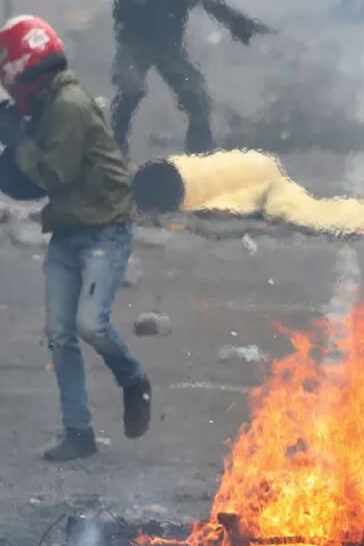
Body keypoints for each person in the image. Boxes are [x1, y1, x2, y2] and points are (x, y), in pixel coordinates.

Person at [0, 16, 151, 461]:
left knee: (91, 324)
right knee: (59, 335)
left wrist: (18, 143)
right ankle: (78, 432)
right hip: (68, 228)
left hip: (105, 228)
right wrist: (17, 138)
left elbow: (53, 174)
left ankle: (133, 380)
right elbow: (29, 180)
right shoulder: (47, 105)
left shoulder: (66, 105)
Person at [110, 0, 270, 156]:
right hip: (134, 43)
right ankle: (114, 147)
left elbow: (212, 5)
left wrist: (240, 24)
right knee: (131, 89)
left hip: (168, 47)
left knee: (197, 98)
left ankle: (198, 156)